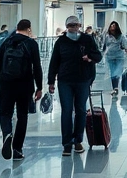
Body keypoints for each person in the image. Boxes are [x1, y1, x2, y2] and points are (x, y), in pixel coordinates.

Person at [47, 15, 102, 156]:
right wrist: (51, 81)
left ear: (80, 26)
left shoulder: (87, 39)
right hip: (65, 79)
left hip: (83, 79)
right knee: (66, 110)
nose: (73, 27)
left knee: (81, 110)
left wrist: (89, 58)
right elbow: (54, 61)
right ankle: (66, 143)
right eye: (70, 25)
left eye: (76, 25)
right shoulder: (61, 42)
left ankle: (78, 140)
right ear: (67, 27)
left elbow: (98, 56)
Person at [0, 19, 43, 161]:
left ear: (17, 28)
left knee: (5, 113)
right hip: (25, 84)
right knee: (22, 116)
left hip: (6, 82)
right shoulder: (32, 44)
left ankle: (7, 133)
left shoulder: (7, 41)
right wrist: (39, 87)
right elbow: (37, 67)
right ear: (29, 29)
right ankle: (17, 149)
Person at [101, 21, 127, 95]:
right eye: (111, 26)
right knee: (112, 72)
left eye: (114, 26)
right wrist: (101, 55)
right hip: (110, 57)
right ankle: (115, 88)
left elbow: (126, 45)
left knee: (117, 72)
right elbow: (104, 46)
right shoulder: (107, 36)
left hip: (119, 57)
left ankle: (116, 87)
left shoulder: (121, 36)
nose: (112, 27)